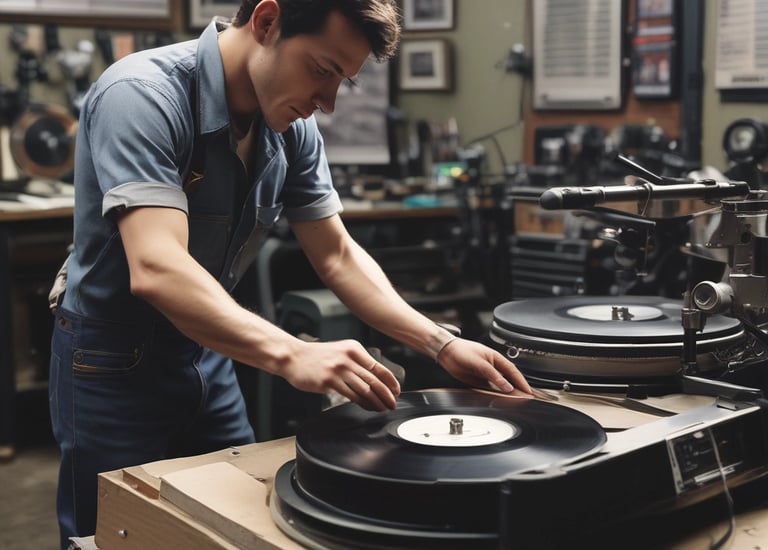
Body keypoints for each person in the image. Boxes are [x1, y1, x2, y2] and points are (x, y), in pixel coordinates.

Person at [48, 0, 533, 546]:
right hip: (111, 358)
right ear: (266, 21)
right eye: (323, 70)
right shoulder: (140, 94)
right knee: (114, 534)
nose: (326, 103)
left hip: (211, 348)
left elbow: (337, 255)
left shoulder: (290, 129)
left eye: (342, 82)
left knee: (233, 522)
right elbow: (158, 268)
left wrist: (441, 344)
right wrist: (293, 353)